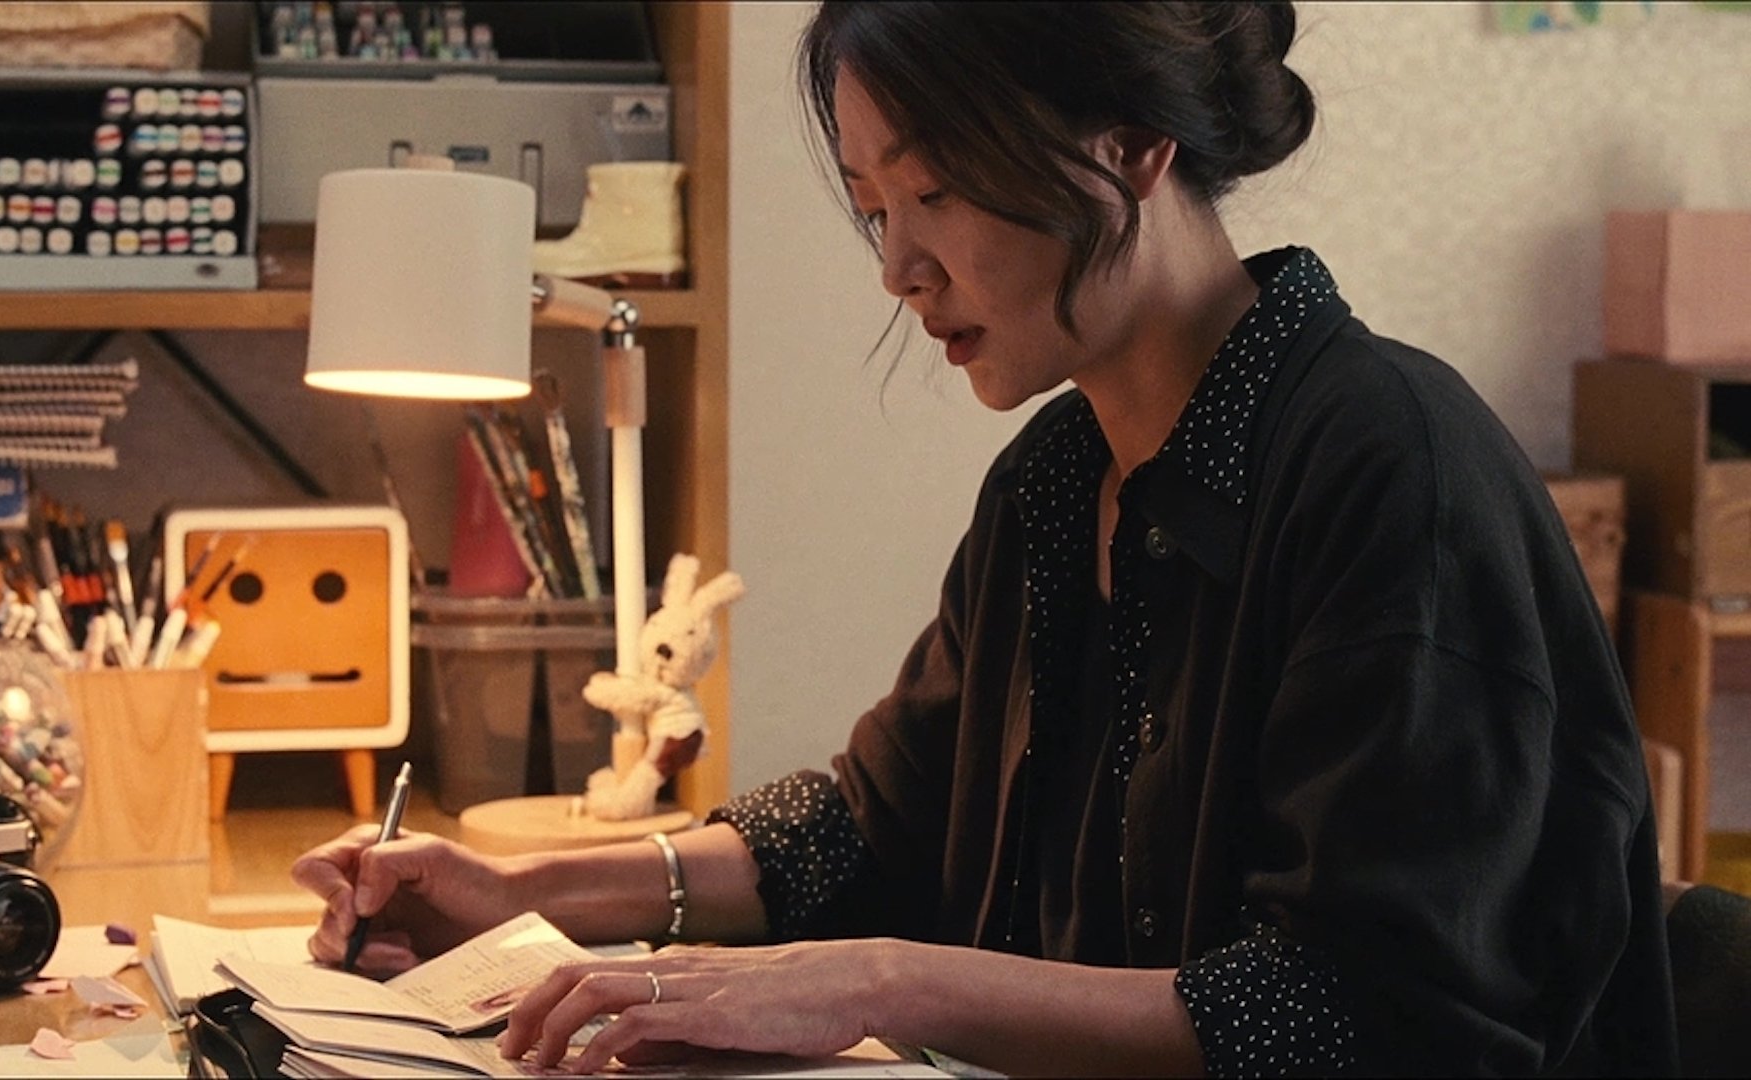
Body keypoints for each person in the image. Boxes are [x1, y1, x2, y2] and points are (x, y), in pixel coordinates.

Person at [292, 3, 1677, 1074]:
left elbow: (1359, 1014)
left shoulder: (1388, 469)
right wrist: (526, 894)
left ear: (1129, 144)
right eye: (874, 207)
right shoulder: (1054, 478)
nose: (897, 267)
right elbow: (865, 828)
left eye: (934, 190)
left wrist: (882, 984)